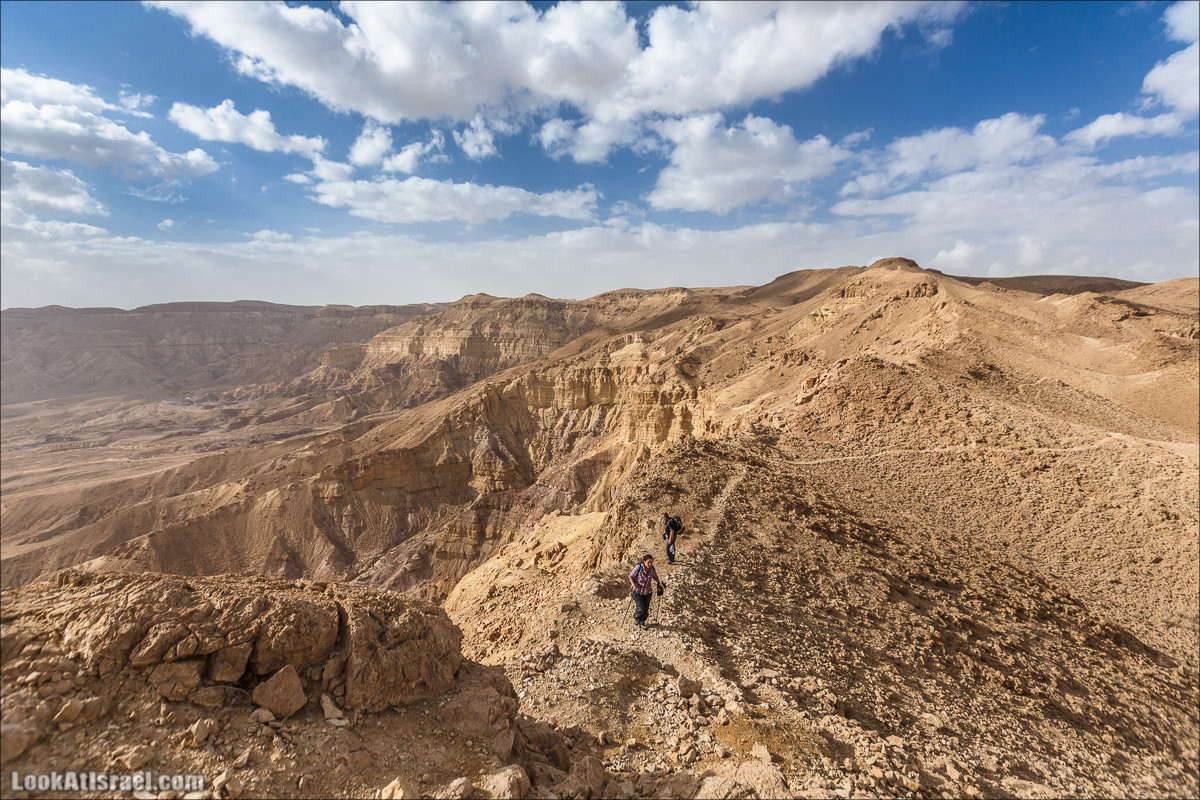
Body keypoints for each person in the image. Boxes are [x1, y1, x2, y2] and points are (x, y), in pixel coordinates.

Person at [629, 554, 664, 629]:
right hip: (638, 591)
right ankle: (636, 617)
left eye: (651, 562)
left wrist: (659, 583)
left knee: (646, 609)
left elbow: (655, 576)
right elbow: (631, 576)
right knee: (641, 608)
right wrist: (633, 585)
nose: (650, 564)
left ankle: (642, 622)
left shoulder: (652, 569)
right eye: (648, 562)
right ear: (644, 562)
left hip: (647, 592)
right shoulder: (639, 567)